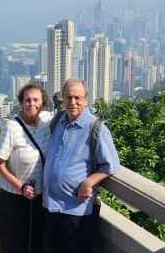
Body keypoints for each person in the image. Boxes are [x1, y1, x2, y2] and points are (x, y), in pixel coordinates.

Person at [43, 78, 121, 253]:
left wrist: (89, 182)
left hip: (76, 211)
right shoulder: (58, 122)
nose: (72, 102)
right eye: (68, 97)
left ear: (86, 100)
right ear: (62, 99)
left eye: (77, 98)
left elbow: (111, 165)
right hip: (51, 206)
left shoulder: (96, 128)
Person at [0, 82, 51, 253]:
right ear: (21, 103)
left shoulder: (47, 122)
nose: (31, 104)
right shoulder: (11, 127)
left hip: (40, 197)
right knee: (14, 243)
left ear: (43, 103)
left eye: (36, 100)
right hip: (14, 198)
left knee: (37, 242)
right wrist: (21, 186)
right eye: (27, 100)